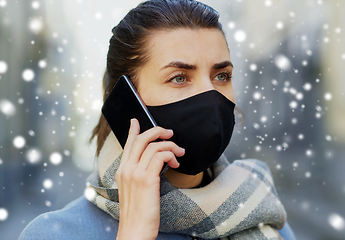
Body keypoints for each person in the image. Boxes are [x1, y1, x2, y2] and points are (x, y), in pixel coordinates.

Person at [19, 0, 297, 239]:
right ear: (127, 102)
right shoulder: (55, 233)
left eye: (221, 76)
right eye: (179, 78)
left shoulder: (262, 214)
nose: (210, 96)